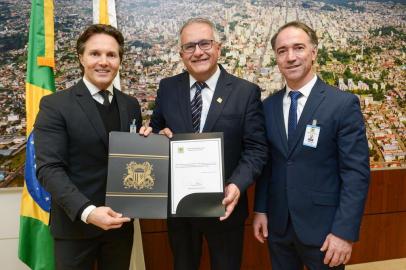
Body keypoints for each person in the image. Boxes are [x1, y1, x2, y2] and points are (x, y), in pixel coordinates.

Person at [141, 17, 268, 270]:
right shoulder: (167, 88)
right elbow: (156, 130)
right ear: (181, 54)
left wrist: (237, 185)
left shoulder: (245, 92)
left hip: (224, 207)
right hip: (180, 209)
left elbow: (256, 149)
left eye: (205, 44)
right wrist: (153, 137)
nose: (198, 52)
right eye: (190, 46)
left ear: (218, 47)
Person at [253, 21, 370, 269]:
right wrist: (261, 210)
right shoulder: (268, 107)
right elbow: (268, 164)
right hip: (279, 227)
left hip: (326, 231)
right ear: (276, 57)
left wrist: (344, 232)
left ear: (314, 52)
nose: (291, 57)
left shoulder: (342, 104)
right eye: (282, 50)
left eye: (299, 48)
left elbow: (355, 174)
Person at [34, 24, 142, 270]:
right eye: (95, 54)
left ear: (119, 61)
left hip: (120, 226)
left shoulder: (131, 105)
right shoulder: (55, 105)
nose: (103, 61)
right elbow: (49, 169)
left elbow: (131, 160)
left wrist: (147, 142)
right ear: (81, 57)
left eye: (111, 55)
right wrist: (88, 211)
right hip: (75, 227)